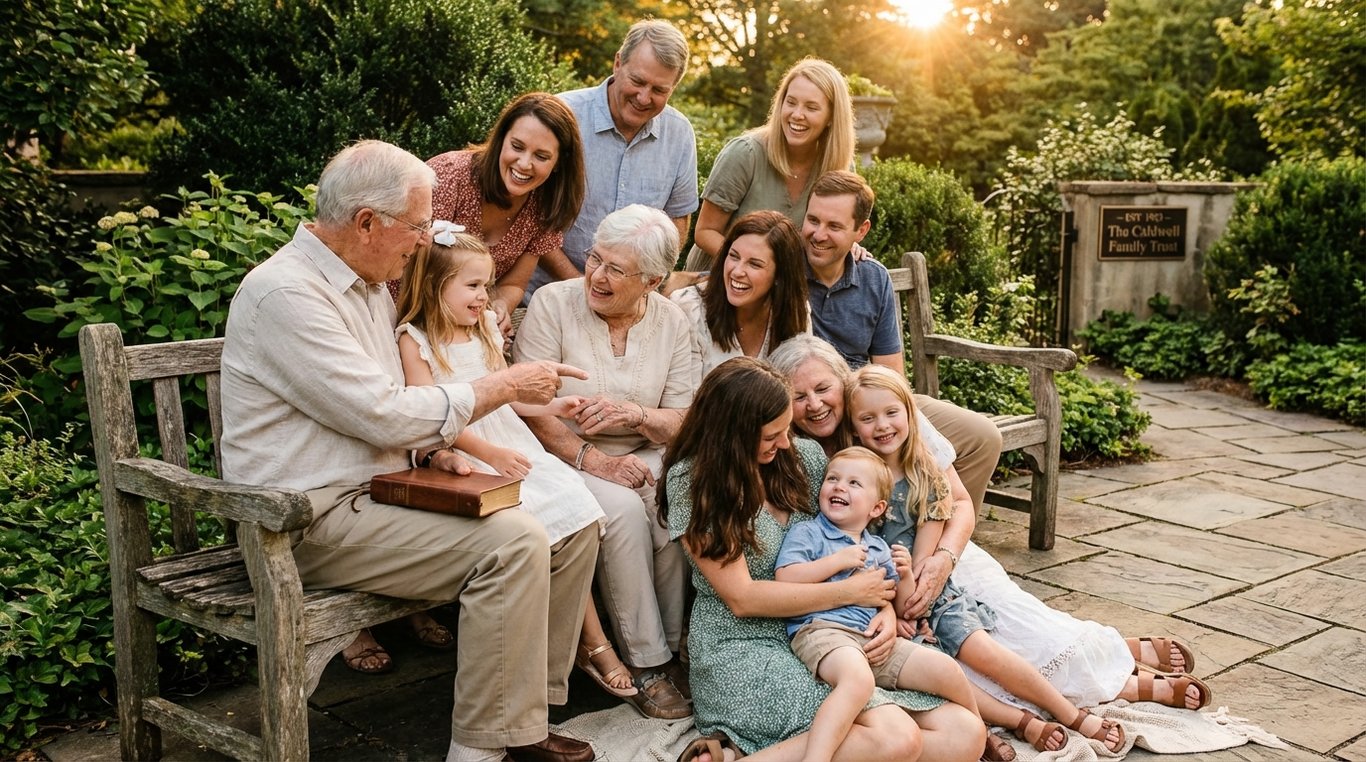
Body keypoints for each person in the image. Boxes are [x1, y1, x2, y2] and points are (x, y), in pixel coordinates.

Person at [219, 139, 599, 762]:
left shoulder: (366, 285)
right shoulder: (287, 295)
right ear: (367, 223)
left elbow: (389, 403)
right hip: (299, 521)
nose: (424, 240)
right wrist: (502, 385)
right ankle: (482, 750)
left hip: (379, 493)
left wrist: (434, 453)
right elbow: (380, 413)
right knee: (512, 545)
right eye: (418, 225)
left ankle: (519, 731)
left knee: (543, 526)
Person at [767, 335, 1212, 716]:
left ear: (842, 384)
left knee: (1018, 627)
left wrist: (943, 559)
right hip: (885, 582)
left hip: (943, 554)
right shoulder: (792, 450)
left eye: (823, 388)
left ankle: (1120, 672)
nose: (814, 404)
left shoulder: (882, 412)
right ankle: (1119, 661)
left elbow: (957, 503)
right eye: (799, 396)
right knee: (965, 659)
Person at [661, 357, 984, 762]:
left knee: (964, 734)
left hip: (829, 633)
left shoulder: (802, 457)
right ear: (732, 435)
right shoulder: (693, 483)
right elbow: (743, 598)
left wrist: (882, 608)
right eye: (770, 436)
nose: (783, 443)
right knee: (894, 738)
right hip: (743, 644)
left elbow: (852, 538)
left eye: (785, 430)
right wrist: (850, 592)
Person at [849, 365, 1133, 754]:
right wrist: (893, 609)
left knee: (979, 651)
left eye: (891, 413)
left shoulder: (926, 474)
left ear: (910, 415)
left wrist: (912, 604)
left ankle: (1070, 713)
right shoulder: (859, 477)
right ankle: (1014, 724)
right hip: (886, 601)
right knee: (935, 672)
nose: (882, 425)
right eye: (868, 418)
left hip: (927, 592)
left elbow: (924, 555)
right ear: (853, 426)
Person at [513, 204, 700, 719]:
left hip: (645, 448)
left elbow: (683, 417)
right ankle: (644, 663)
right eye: (595, 258)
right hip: (561, 456)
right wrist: (590, 457)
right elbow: (528, 409)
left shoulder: (672, 320)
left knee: (670, 501)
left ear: (653, 280)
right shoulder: (553, 304)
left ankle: (674, 648)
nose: (596, 275)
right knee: (619, 512)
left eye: (616, 270)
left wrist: (636, 415)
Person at [775, 446, 980, 762]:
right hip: (824, 632)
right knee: (857, 679)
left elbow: (900, 607)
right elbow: (786, 579)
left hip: (873, 640)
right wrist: (836, 561)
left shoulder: (879, 547)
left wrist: (906, 574)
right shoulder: (809, 532)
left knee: (946, 669)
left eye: (854, 483)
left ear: (876, 507)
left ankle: (980, 732)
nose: (840, 486)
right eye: (833, 479)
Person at [524, 20, 698, 303]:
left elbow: (677, 219)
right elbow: (530, 214)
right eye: (638, 81)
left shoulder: (679, 133)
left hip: (629, 305)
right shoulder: (563, 115)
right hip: (548, 296)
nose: (644, 97)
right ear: (618, 63)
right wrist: (586, 286)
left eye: (659, 90)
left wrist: (640, 284)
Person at [408, 93, 585, 336]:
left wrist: (499, 306)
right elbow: (410, 269)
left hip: (464, 327)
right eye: (517, 146)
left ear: (559, 163)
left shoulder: (543, 204)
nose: (524, 163)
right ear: (501, 139)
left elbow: (513, 283)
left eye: (541, 156)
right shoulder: (449, 176)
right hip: (408, 316)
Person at [683, 58, 855, 273]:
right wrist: (755, 271)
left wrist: (849, 245)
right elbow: (705, 231)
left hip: (785, 292)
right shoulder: (745, 153)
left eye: (811, 107)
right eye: (791, 102)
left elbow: (836, 232)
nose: (797, 114)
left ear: (831, 117)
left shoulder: (838, 165)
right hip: (717, 279)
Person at [670, 210, 809, 375]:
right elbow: (682, 398)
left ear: (780, 275)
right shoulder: (688, 309)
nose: (737, 271)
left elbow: (799, 382)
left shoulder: (796, 311)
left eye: (755, 264)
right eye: (734, 256)